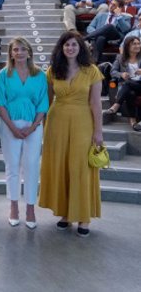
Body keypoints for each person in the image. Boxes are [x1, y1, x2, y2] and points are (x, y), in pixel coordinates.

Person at [40, 31, 103, 237]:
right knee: (62, 167)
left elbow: (96, 104)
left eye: (74, 45)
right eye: (66, 45)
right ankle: (65, 214)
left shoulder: (91, 71)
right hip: (56, 122)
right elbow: (47, 101)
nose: (70, 48)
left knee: (80, 167)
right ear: (61, 48)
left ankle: (83, 216)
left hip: (83, 122)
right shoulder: (53, 70)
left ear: (80, 47)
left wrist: (98, 132)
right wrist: (42, 127)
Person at [0, 38, 48, 229]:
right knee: (12, 167)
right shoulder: (4, 74)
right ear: (10, 53)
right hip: (10, 125)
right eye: (15, 50)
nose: (19, 53)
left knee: (32, 166)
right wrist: (13, 127)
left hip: (33, 125)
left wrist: (33, 127)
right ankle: (14, 207)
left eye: (23, 49)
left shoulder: (39, 75)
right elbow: (0, 102)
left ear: (29, 52)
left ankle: (31, 208)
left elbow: (43, 103)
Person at [104, 37, 141, 129]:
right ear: (128, 46)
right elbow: (113, 72)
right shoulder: (120, 58)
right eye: (134, 44)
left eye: (138, 43)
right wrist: (121, 74)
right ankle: (133, 121)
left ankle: (116, 105)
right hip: (130, 87)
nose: (137, 46)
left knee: (127, 84)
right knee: (130, 93)